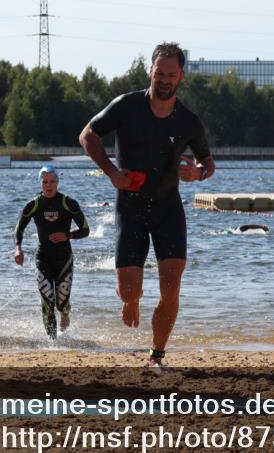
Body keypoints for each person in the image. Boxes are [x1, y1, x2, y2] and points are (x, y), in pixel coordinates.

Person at [79, 42, 214, 370]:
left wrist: (196, 174)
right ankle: (132, 300)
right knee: (128, 291)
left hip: (169, 209)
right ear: (150, 71)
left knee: (171, 287)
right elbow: (87, 136)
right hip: (131, 208)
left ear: (181, 76)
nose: (164, 79)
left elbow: (207, 163)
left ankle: (157, 355)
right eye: (159, 72)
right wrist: (112, 173)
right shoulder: (127, 107)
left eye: (171, 74)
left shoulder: (188, 121)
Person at [14, 165, 90, 338]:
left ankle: (65, 312)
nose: (49, 185)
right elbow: (18, 229)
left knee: (61, 302)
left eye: (52, 181)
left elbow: (85, 230)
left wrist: (67, 235)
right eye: (45, 182)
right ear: (40, 183)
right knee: (47, 299)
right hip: (43, 257)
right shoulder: (33, 205)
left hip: (64, 258)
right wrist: (18, 249)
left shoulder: (68, 203)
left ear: (58, 182)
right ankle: (52, 341)